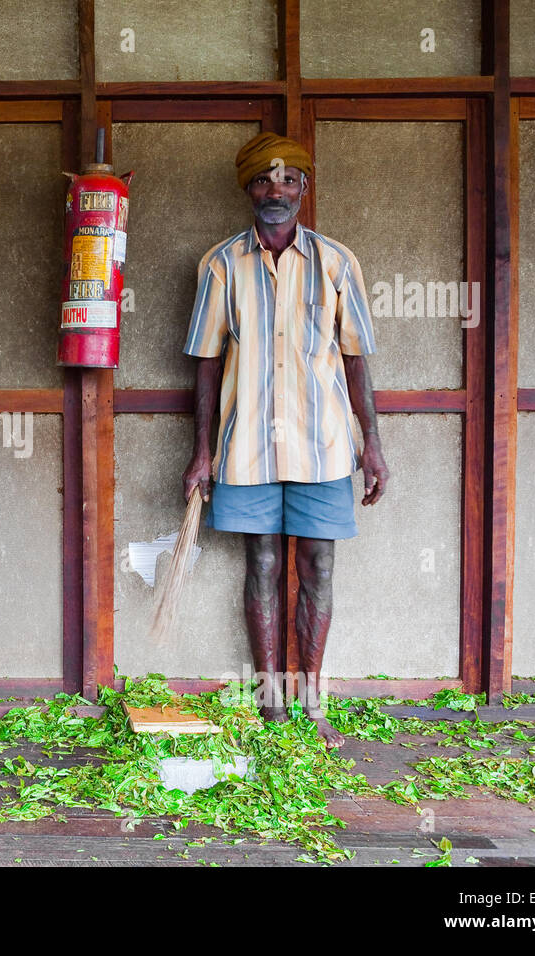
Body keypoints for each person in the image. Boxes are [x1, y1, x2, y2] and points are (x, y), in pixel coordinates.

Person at [180, 131, 390, 749]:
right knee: (263, 564)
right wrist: (202, 451)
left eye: (289, 180)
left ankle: (312, 700)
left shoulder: (336, 263)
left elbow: (355, 360)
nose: (277, 191)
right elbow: (206, 361)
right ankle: (272, 704)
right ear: (248, 189)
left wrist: (371, 444)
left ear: (304, 188)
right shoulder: (221, 265)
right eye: (264, 181)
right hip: (246, 444)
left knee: (318, 566)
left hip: (324, 445)